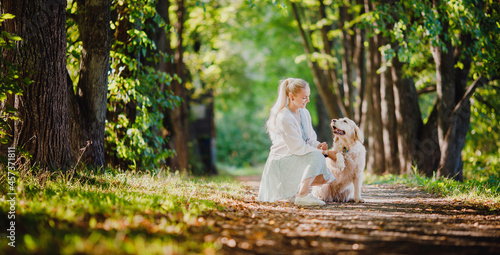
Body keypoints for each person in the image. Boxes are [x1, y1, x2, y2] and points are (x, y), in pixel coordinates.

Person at [258, 78, 338, 206]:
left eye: (308, 96)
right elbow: (298, 148)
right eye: (304, 97)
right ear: (291, 96)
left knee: (322, 170)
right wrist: (326, 152)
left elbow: (309, 138)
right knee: (318, 157)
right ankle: (302, 195)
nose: (308, 100)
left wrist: (318, 145)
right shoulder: (284, 117)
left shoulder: (304, 113)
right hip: (282, 161)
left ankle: (297, 192)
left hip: (295, 157)